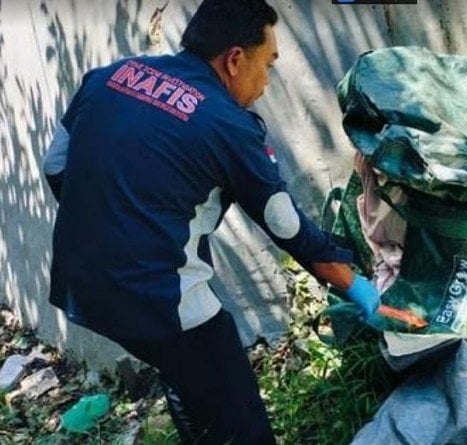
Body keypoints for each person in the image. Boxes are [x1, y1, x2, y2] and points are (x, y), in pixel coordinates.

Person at [41, 0, 380, 443]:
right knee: (239, 415)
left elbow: (55, 163)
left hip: (78, 283)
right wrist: (357, 287)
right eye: (268, 64)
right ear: (235, 59)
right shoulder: (228, 126)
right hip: (160, 298)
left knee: (182, 367)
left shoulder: (109, 78)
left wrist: (112, 225)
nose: (266, 82)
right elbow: (285, 224)